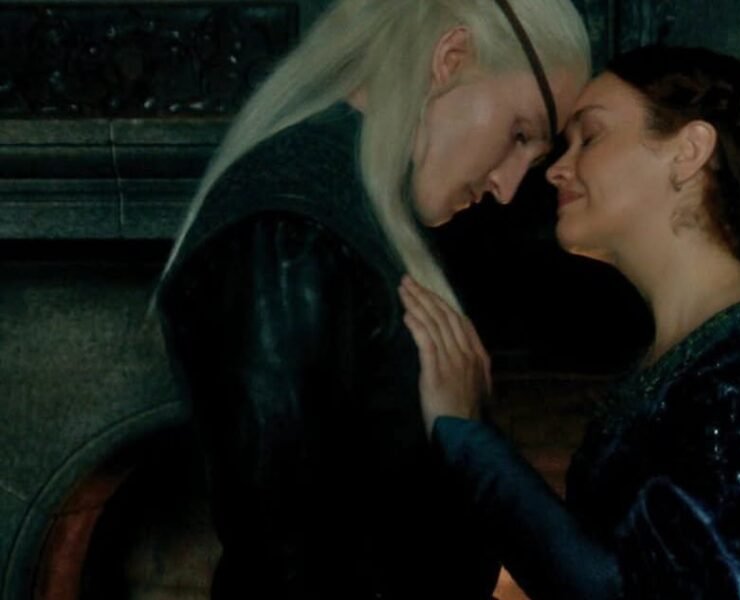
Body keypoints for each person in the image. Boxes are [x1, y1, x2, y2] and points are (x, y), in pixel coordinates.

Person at [399, 45, 740, 599]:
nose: (558, 169)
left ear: (689, 151)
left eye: (590, 137)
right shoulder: (694, 351)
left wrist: (468, 436)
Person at [153, 1, 590, 598]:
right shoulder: (288, 236)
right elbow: (284, 556)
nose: (508, 188)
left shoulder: (356, 219)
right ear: (451, 57)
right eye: (518, 135)